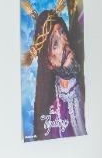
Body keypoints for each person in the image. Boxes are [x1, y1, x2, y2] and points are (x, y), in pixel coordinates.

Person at [30, 9, 85, 140]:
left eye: (62, 32)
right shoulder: (55, 113)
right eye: (55, 44)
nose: (64, 42)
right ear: (49, 63)